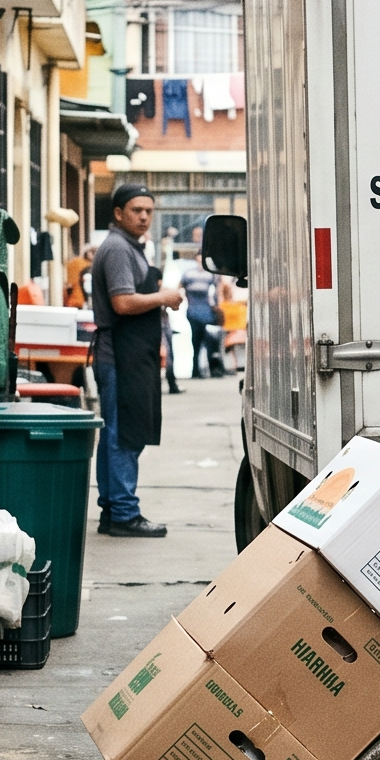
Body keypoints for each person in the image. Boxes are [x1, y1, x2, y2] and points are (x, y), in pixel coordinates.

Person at [90, 184, 180, 538]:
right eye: (135, 210)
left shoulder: (129, 248)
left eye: (148, 211)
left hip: (130, 355)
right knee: (123, 436)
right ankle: (124, 514)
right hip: (119, 357)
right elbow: (123, 303)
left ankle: (114, 510)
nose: (144, 217)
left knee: (119, 433)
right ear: (117, 213)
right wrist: (163, 297)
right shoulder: (116, 250)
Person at [179, 259, 224, 378]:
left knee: (210, 342)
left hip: (208, 312)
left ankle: (213, 369)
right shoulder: (189, 273)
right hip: (193, 312)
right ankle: (195, 370)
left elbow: (217, 290)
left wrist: (217, 307)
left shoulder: (211, 274)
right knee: (196, 342)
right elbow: (180, 287)